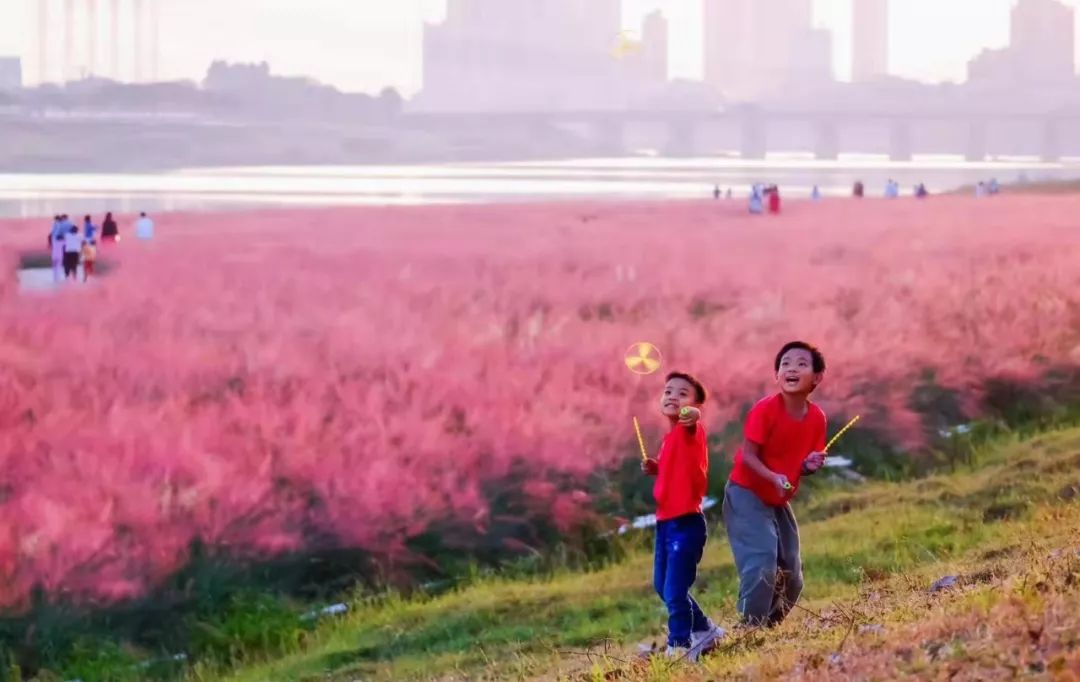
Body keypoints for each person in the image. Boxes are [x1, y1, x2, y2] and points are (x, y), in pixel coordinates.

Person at [723, 341, 828, 628]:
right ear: (776, 375)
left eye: (801, 364)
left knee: (792, 572)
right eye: (785, 364)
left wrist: (807, 467)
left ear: (817, 377)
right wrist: (774, 477)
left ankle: (769, 626)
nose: (791, 368)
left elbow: (802, 463)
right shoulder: (765, 410)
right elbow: (748, 457)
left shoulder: (817, 418)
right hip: (746, 492)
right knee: (761, 562)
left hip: (778, 498)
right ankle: (749, 629)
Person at [641, 372, 724, 661]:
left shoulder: (691, 430)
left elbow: (691, 417)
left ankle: (680, 645)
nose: (673, 397)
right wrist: (657, 467)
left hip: (686, 522)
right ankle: (706, 631)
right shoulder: (670, 438)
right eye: (668, 392)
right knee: (662, 587)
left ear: (696, 404)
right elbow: (677, 468)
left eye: (683, 393)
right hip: (665, 523)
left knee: (675, 589)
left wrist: (691, 412)